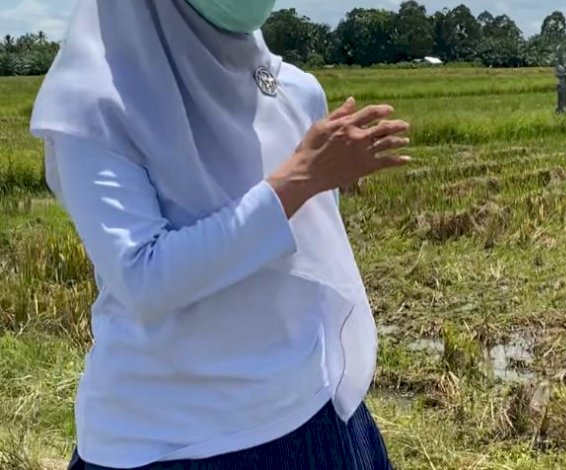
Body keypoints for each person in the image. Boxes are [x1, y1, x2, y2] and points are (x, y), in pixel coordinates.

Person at [30, 1, 408, 468]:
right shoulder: (94, 104)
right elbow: (143, 279)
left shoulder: (295, 90)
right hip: (171, 442)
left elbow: (305, 256)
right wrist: (297, 182)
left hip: (312, 410)